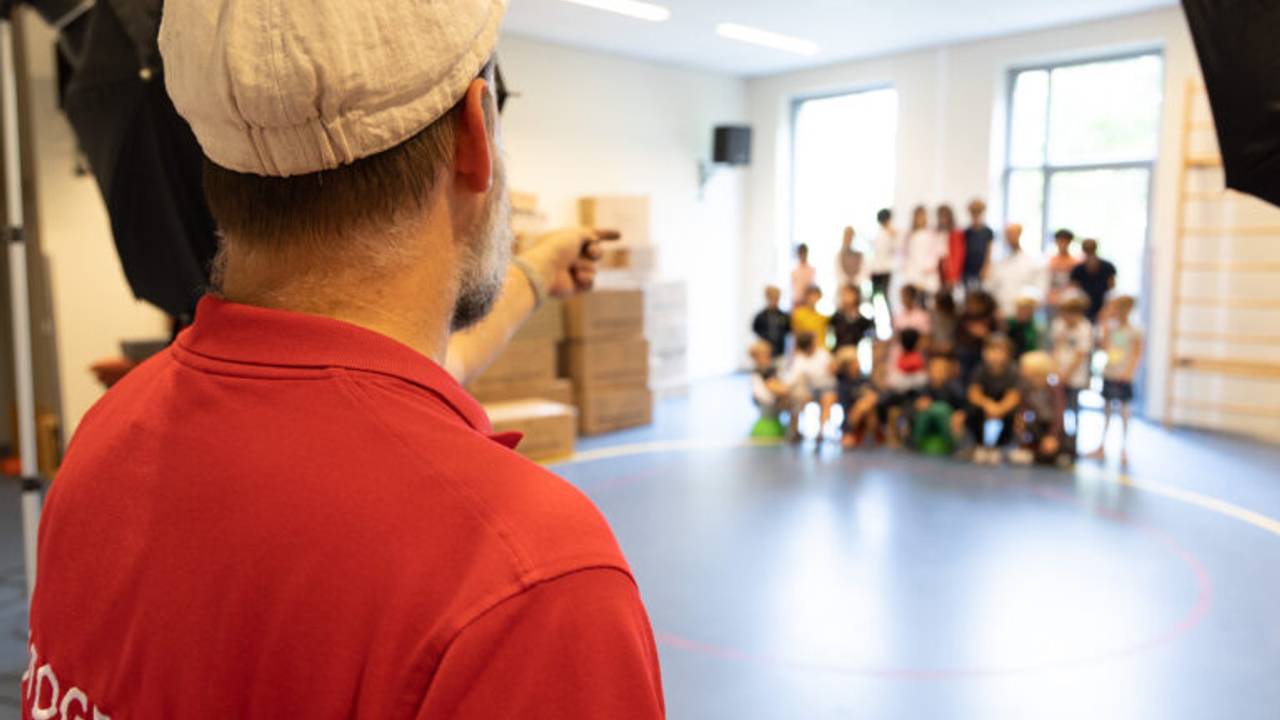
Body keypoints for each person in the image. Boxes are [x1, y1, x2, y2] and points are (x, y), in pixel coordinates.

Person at [25, 3, 666, 716]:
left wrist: (537, 273)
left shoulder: (108, 438)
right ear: (476, 134)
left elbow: (374, 400)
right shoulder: (528, 584)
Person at [1090, 295, 1143, 467]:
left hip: (1123, 376)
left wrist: (1129, 373)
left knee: (1124, 412)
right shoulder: (1111, 328)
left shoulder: (1134, 331)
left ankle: (1124, 448)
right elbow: (1104, 347)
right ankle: (1101, 445)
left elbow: (1136, 353)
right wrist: (1104, 323)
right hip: (1110, 372)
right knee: (1105, 410)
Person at [967, 334, 1023, 465]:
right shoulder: (980, 370)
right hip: (986, 408)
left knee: (1014, 416)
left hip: (1004, 409)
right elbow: (974, 394)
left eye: (1000, 351)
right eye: (991, 350)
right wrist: (987, 404)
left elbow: (1014, 397)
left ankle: (1000, 447)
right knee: (972, 411)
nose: (995, 355)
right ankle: (979, 445)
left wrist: (999, 409)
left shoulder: (1013, 371)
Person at [1011, 351, 1069, 467]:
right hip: (1038, 425)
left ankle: (1060, 454)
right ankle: (1030, 450)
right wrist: (1019, 421)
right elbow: (1022, 408)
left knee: (1062, 441)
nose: (1021, 370)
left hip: (1053, 426)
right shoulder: (1026, 387)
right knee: (1028, 426)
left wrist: (1052, 436)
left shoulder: (1054, 387)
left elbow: (1058, 415)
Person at [1049, 291, 1094, 436]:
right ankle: (1058, 436)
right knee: (1057, 407)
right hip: (1058, 372)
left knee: (1073, 408)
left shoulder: (1085, 328)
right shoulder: (1058, 324)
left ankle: (1073, 438)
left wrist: (1066, 374)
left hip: (1075, 376)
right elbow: (1055, 347)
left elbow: (1080, 354)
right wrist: (1056, 371)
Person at [908, 354, 968, 456]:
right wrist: (917, 406)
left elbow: (964, 408)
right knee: (924, 413)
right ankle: (915, 443)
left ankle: (953, 444)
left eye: (941, 370)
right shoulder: (924, 389)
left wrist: (959, 415)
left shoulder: (954, 389)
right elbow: (910, 409)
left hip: (948, 427)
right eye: (935, 369)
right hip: (929, 428)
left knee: (941, 409)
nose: (937, 373)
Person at [785, 331, 839, 441]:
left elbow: (831, 373)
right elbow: (793, 378)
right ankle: (794, 430)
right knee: (797, 397)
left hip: (827, 387)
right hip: (810, 389)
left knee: (827, 399)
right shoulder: (799, 359)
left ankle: (821, 432)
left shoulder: (823, 354)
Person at [987, 223, 1047, 318]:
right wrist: (996, 309)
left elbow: (1040, 289)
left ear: (1020, 234)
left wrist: (1027, 308)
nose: (1010, 238)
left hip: (1024, 316)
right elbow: (992, 288)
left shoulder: (1034, 261)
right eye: (1008, 235)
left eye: (1013, 234)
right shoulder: (1000, 263)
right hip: (1002, 315)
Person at [954, 289, 999, 384]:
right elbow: (957, 338)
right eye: (969, 302)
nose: (971, 306)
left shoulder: (991, 319)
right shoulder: (964, 317)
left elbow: (998, 341)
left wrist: (985, 335)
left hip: (984, 354)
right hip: (965, 355)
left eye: (974, 303)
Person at [1070, 238, 1118, 322]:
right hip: (1084, 308)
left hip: (1103, 307)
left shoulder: (1108, 267)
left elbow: (1112, 289)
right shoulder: (1078, 269)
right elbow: (1075, 291)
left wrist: (1107, 308)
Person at [903, 205, 945, 298]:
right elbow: (907, 255)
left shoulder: (932, 234)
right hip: (913, 274)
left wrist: (928, 266)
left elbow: (937, 253)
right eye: (917, 216)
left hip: (928, 273)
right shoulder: (910, 235)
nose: (919, 219)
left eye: (922, 216)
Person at [750, 340, 791, 421]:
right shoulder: (757, 374)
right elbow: (762, 393)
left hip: (775, 400)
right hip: (767, 405)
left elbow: (782, 381)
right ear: (755, 358)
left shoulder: (773, 370)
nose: (766, 358)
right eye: (763, 356)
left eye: (768, 355)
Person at [868, 208, 900, 301]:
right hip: (877, 269)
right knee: (876, 296)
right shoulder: (878, 234)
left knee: (886, 295)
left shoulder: (893, 233)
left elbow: (897, 248)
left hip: (886, 269)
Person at [962, 198, 995, 289]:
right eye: (973, 212)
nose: (976, 215)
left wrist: (986, 268)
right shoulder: (966, 232)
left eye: (978, 212)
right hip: (968, 270)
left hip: (981, 269)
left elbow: (989, 251)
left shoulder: (988, 232)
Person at [830, 284, 874, 350]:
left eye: (848, 294)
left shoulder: (863, 321)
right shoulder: (835, 318)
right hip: (839, 353)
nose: (845, 298)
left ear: (856, 296)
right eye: (843, 295)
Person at [1046, 229, 1080, 311]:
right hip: (1051, 302)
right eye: (1060, 241)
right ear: (1056, 242)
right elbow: (1046, 282)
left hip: (1068, 303)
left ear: (1070, 242)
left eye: (1066, 241)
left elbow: (1075, 285)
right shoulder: (1050, 261)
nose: (1063, 244)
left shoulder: (1075, 262)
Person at [753, 285, 791, 360]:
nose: (774, 301)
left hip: (780, 351)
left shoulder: (784, 316)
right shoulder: (761, 316)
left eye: (776, 298)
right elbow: (755, 329)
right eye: (771, 298)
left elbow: (788, 329)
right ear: (767, 298)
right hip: (764, 351)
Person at [937, 204, 966, 290]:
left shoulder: (956, 234)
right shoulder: (938, 233)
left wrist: (953, 275)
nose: (942, 219)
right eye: (940, 216)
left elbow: (958, 256)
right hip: (939, 272)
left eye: (944, 216)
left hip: (951, 273)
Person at [930, 291, 959, 356]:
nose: (934, 304)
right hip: (936, 347)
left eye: (936, 302)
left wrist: (950, 345)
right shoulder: (933, 315)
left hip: (953, 348)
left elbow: (958, 335)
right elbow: (931, 333)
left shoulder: (956, 316)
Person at [835, 226, 863, 291]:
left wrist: (854, 282)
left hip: (856, 288)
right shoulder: (838, 255)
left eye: (851, 236)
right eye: (846, 236)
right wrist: (846, 283)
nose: (849, 239)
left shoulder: (860, 255)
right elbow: (837, 272)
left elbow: (863, 272)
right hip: (842, 288)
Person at [791, 243, 817, 308]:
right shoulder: (794, 270)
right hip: (797, 302)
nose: (803, 255)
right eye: (801, 253)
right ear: (798, 254)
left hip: (809, 302)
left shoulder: (812, 270)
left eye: (804, 253)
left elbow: (812, 286)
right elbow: (793, 288)